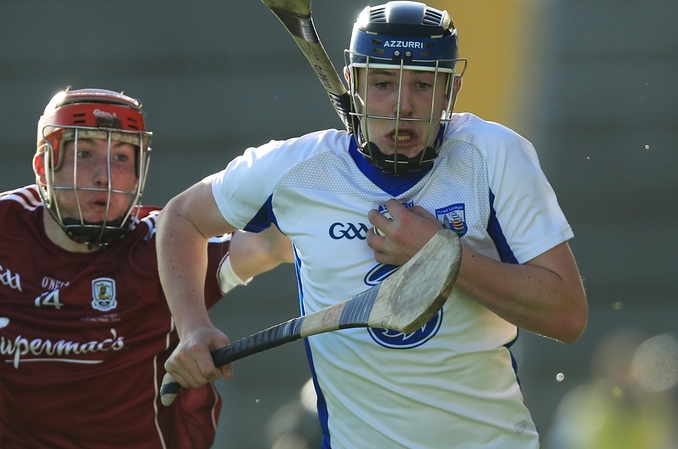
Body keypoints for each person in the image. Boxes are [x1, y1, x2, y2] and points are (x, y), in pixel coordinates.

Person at [156, 2, 588, 448]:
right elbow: (181, 218)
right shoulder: (296, 169)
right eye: (382, 83)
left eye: (423, 84)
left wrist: (441, 255)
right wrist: (192, 325)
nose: (403, 106)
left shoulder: (494, 155)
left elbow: (567, 314)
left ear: (450, 91)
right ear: (353, 84)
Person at [0, 88, 292, 449]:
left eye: (121, 157)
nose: (104, 175)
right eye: (85, 154)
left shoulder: (165, 248)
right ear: (44, 167)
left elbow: (274, 241)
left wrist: (349, 226)